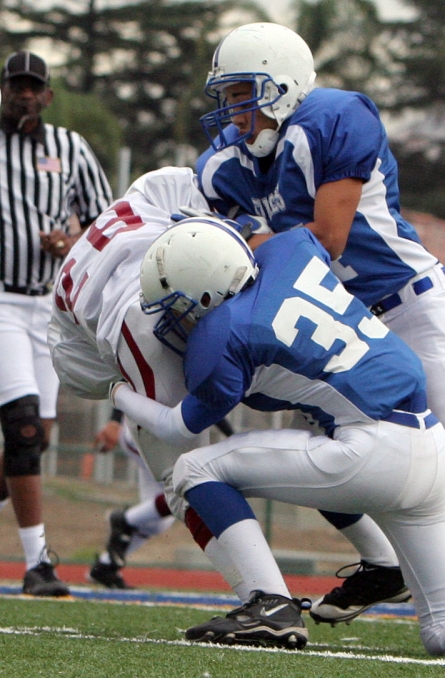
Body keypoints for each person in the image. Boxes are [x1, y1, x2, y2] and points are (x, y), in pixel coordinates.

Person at [194, 24, 445, 663]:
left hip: (409, 304)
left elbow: (326, 241)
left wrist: (249, 243)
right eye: (228, 96)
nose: (233, 112)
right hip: (343, 324)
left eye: (244, 93)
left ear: (285, 82)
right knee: (339, 445)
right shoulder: (224, 163)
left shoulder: (333, 118)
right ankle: (383, 565)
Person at [111, 216, 445, 664]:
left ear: (205, 294)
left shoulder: (225, 332)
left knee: (195, 469)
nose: (174, 319)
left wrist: (119, 394)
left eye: (177, 306)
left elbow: (179, 427)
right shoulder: (291, 251)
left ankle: (270, 605)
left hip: (369, 452)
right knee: (444, 633)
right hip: (427, 441)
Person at [48, 166, 249, 596]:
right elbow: (150, 387)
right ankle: (262, 590)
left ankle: (107, 559)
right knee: (191, 482)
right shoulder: (143, 311)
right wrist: (118, 406)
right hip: (144, 405)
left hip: (121, 370)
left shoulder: (157, 195)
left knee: (164, 509)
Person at [0, 50, 113, 596]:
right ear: (3, 90)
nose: (24, 93)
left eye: (33, 86)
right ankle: (36, 563)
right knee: (22, 425)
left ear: (47, 95)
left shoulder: (70, 148)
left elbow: (108, 221)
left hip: (46, 305)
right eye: (15, 84)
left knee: (35, 439)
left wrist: (71, 243)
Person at [88, 409, 234, 589]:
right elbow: (124, 382)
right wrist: (114, 420)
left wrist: (232, 436)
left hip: (159, 434)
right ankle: (122, 520)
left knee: (157, 522)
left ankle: (104, 566)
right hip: (145, 433)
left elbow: (212, 398)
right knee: (182, 489)